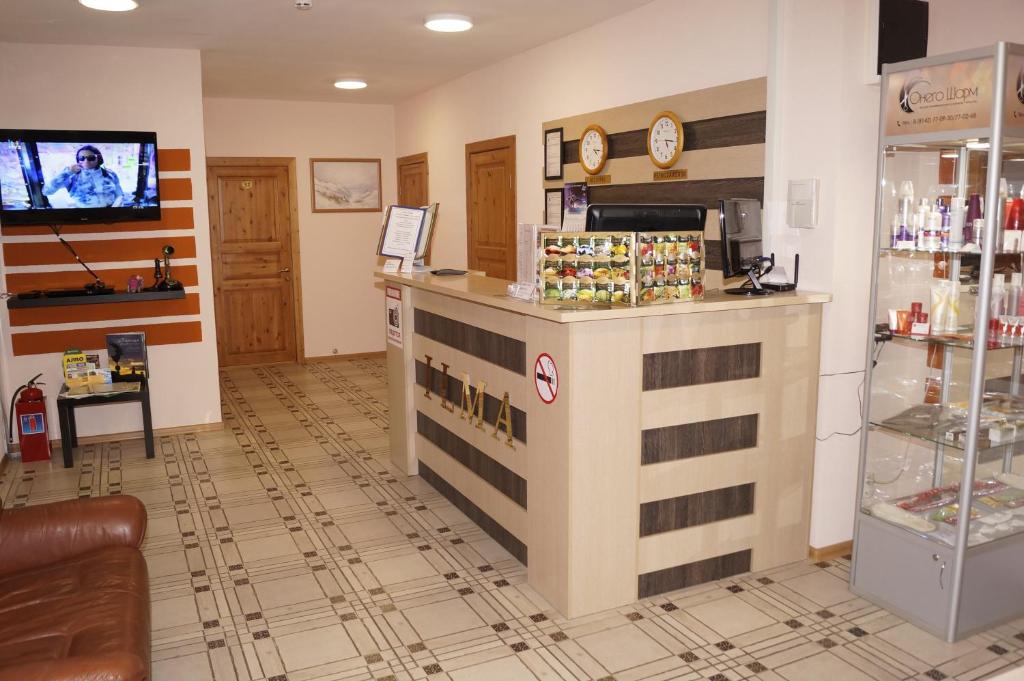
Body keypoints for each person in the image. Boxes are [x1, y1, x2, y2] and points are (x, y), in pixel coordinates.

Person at [42, 145, 124, 208]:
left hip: (109, 215)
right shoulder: (72, 176)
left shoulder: (110, 174)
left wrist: (114, 210)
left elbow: (119, 194)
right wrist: (67, 172)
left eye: (91, 158)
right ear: (78, 160)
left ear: (98, 159)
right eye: (81, 158)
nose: (86, 161)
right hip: (82, 215)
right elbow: (47, 191)